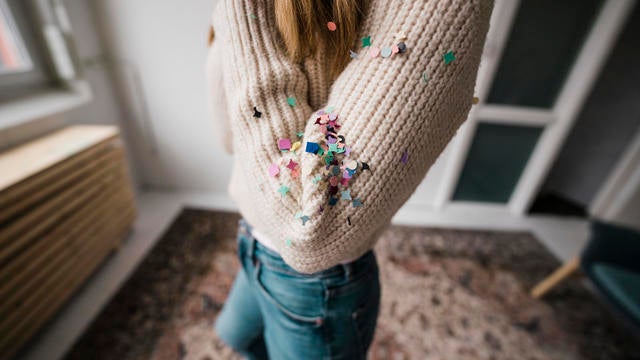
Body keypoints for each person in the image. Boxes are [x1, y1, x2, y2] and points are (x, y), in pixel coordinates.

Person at [205, 0, 494, 358]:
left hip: (315, 285)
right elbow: (230, 138)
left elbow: (310, 231)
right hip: (252, 238)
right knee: (241, 340)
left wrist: (240, 12)